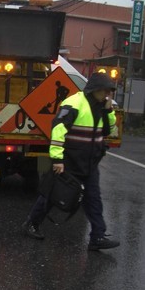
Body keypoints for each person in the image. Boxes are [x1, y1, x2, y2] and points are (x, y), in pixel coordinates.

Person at [22, 72, 120, 251]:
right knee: (52, 196)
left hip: (90, 163)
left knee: (93, 199)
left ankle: (97, 236)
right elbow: (58, 130)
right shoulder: (74, 103)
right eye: (105, 90)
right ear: (95, 89)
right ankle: (31, 223)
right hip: (68, 162)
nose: (107, 94)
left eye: (109, 91)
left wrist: (108, 111)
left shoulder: (102, 106)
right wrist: (58, 159)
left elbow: (109, 131)